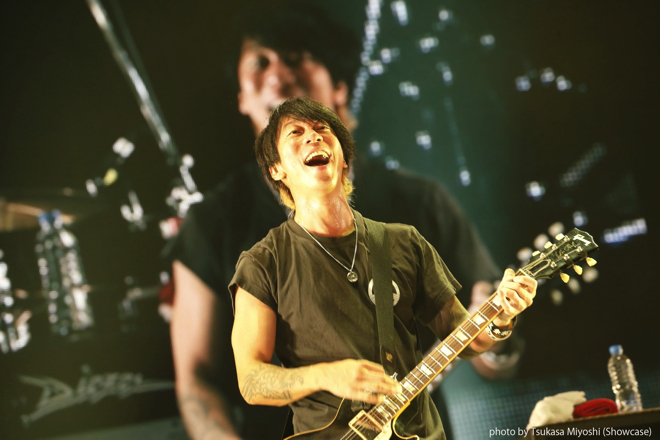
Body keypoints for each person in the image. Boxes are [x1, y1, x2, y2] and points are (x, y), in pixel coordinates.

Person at [167, 1, 507, 438]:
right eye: (259, 62)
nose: (277, 76)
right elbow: (199, 382)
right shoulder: (214, 225)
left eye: (296, 58)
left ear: (340, 90)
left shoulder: (418, 206)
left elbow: (489, 354)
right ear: (241, 97)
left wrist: (497, 331)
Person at [230, 96, 537, 438]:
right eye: (296, 133)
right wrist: (326, 376)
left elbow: (465, 339)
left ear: (345, 159)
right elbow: (251, 381)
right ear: (276, 169)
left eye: (322, 129)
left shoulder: (403, 242)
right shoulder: (263, 263)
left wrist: (501, 317)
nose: (313, 137)